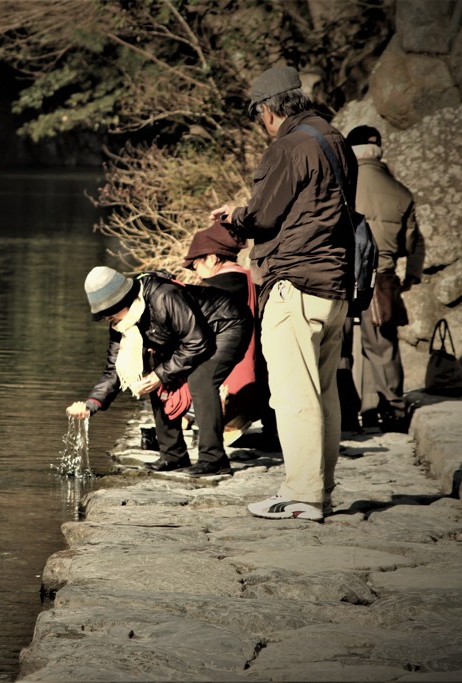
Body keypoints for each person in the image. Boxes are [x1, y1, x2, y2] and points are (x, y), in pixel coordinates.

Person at [210, 65, 356, 522]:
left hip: (294, 282)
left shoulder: (288, 148)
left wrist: (235, 215)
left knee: (293, 394)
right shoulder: (334, 138)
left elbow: (264, 218)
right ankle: (320, 490)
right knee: (323, 392)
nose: (262, 125)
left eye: (259, 117)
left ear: (268, 111)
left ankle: (302, 495)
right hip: (335, 283)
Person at [66, 266, 250, 477]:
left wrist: (160, 374)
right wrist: (91, 404)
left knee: (201, 379)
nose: (107, 319)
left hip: (226, 324)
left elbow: (197, 342)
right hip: (190, 337)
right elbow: (113, 370)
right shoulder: (122, 323)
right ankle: (173, 456)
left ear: (122, 301)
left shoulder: (164, 296)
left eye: (108, 313)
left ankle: (214, 459)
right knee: (155, 379)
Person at [345, 125, 425, 432]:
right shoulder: (401, 192)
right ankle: (391, 409)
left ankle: (349, 410)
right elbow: (413, 243)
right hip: (382, 277)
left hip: (340, 276)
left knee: (339, 346)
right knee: (383, 346)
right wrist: (412, 275)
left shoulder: (341, 185)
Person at [181, 224, 268, 442]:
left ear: (211, 258)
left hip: (230, 387)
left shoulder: (214, 288)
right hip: (261, 385)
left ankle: (196, 417)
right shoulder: (253, 280)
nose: (195, 272)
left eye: (194, 265)